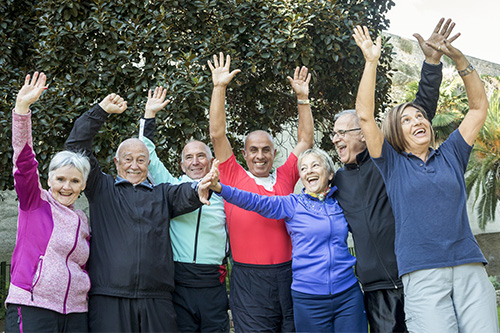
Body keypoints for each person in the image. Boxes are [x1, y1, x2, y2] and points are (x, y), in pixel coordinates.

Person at [352, 23, 498, 332]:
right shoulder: (391, 163)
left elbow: (478, 108)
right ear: (395, 131)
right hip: (422, 274)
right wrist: (370, 62)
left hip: (469, 267)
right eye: (407, 119)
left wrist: (459, 61)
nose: (417, 120)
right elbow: (365, 116)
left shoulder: (451, 153)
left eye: (420, 115)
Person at [331, 18, 458, 332]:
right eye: (333, 135)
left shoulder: (389, 159)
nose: (335, 139)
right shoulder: (337, 181)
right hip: (375, 289)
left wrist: (431, 63)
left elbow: (420, 112)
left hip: (414, 274)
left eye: (341, 133)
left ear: (363, 134)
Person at [64, 93, 215, 332]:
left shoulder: (163, 194)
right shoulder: (100, 187)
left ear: (148, 164)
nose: (134, 165)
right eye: (128, 159)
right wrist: (101, 110)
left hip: (156, 299)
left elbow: (187, 192)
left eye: (141, 160)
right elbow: (76, 147)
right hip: (108, 298)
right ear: (116, 162)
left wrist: (203, 186)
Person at [208, 52, 314, 331]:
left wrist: (302, 98)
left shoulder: (287, 175)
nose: (259, 155)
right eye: (253, 150)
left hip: (290, 275)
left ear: (274, 152)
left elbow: (305, 140)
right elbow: (218, 134)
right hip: (249, 279)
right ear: (243, 154)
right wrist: (219, 88)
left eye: (266, 150)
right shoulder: (231, 175)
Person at [209, 149, 368, 332]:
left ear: (330, 173)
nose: (309, 171)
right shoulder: (292, 204)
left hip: (347, 295)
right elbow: (255, 201)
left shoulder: (341, 203)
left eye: (315, 165)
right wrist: (221, 189)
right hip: (309, 299)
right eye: (303, 168)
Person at [5, 72, 91, 332]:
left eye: (75, 181)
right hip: (33, 305)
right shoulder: (35, 201)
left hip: (75, 313)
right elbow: (24, 162)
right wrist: (22, 110)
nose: (67, 186)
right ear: (49, 180)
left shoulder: (83, 220)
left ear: (83, 186)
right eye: (61, 179)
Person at [138, 86, 229, 332]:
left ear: (211, 162)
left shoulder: (226, 193)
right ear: (181, 164)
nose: (195, 162)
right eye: (189, 157)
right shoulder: (170, 186)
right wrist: (149, 115)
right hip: (179, 282)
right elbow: (147, 153)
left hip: (213, 282)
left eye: (201, 156)